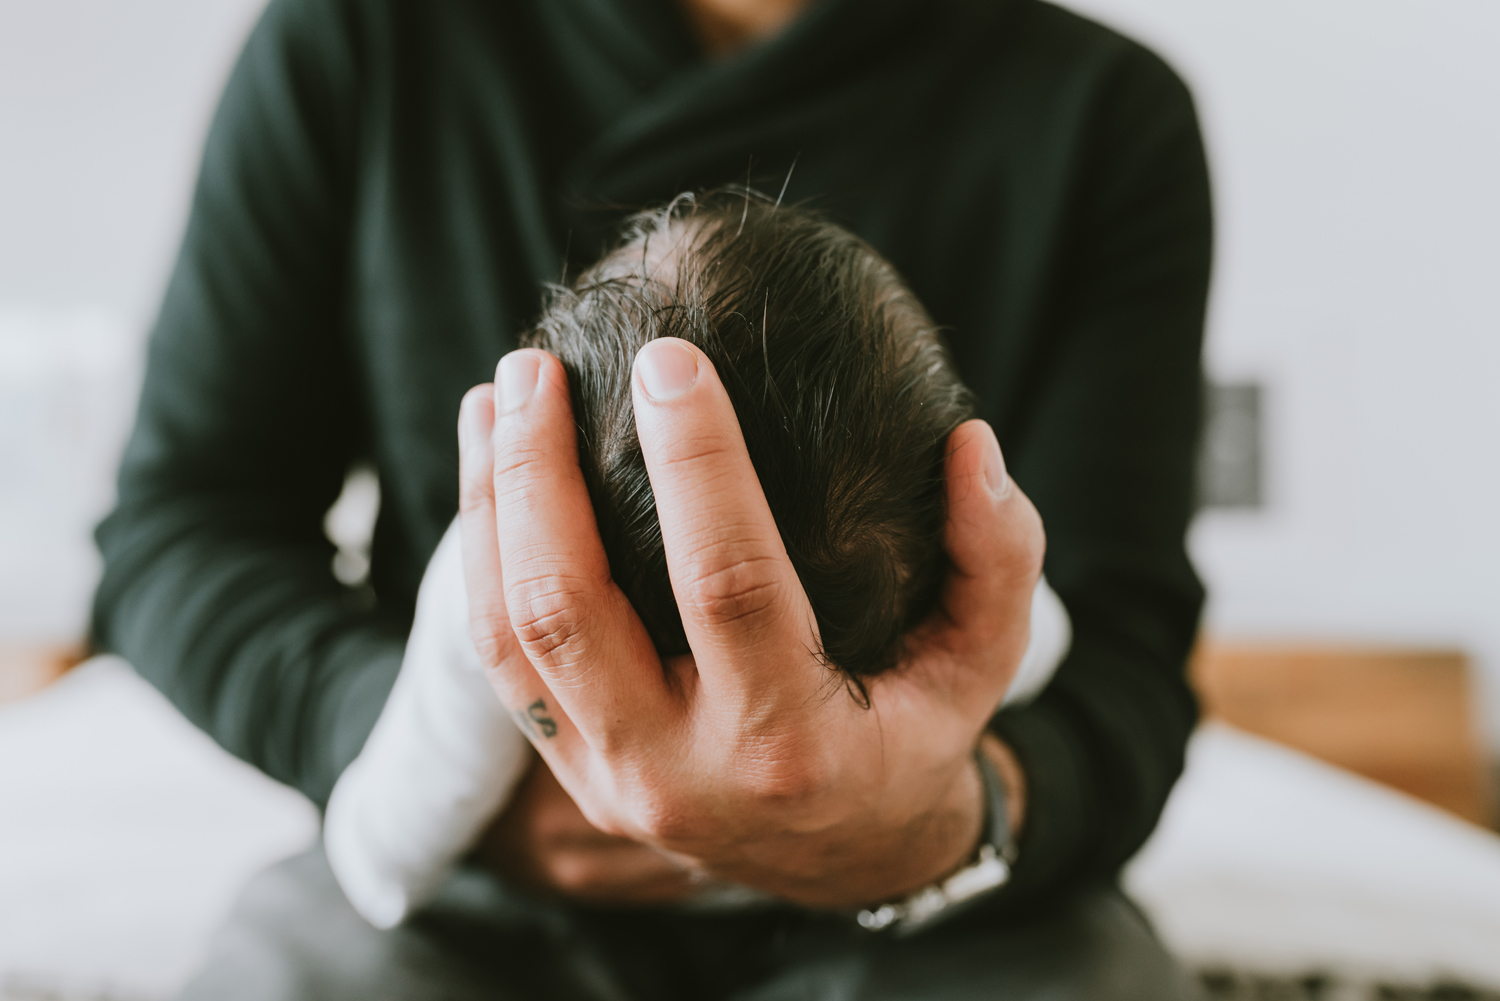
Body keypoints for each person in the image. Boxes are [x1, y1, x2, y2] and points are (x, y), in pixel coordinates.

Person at [91, 0, 1212, 995]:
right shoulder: (360, 35)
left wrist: (949, 811)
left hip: (931, 896)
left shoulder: (1102, 114)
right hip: (488, 869)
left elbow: (1116, 644)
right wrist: (460, 772)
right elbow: (184, 528)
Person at [322, 193, 1073, 930]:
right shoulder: (948, 586)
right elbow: (1044, 640)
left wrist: (375, 859)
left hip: (575, 907)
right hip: (858, 918)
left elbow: (388, 846)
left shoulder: (496, 583)